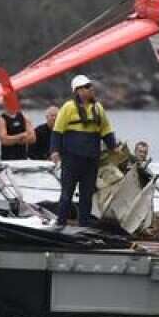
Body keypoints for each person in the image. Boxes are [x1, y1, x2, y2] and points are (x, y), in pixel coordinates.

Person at [52, 75, 117, 227]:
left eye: (90, 86)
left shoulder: (98, 108)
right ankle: (60, 223)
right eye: (87, 87)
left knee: (87, 195)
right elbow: (57, 131)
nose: (91, 89)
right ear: (78, 91)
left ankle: (84, 225)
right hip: (71, 158)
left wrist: (113, 147)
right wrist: (54, 151)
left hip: (90, 159)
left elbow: (106, 130)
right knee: (66, 194)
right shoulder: (68, 107)